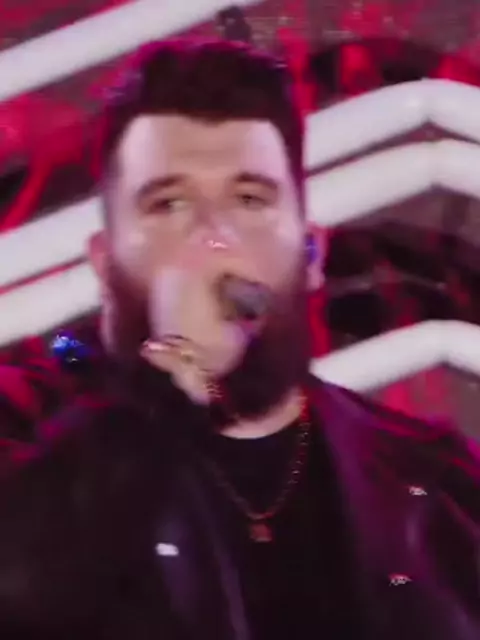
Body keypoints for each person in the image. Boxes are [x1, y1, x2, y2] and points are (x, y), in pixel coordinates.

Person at [0, 39, 478, 640]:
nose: (213, 236)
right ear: (104, 263)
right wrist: (166, 388)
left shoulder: (434, 482)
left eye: (249, 199)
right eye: (168, 204)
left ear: (312, 253)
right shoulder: (25, 432)